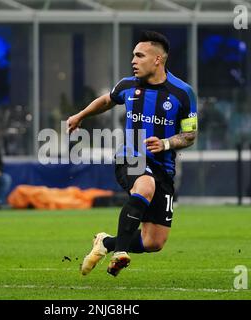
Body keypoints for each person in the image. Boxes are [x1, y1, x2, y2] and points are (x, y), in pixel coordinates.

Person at [67, 31, 198, 277]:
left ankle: (106, 243)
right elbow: (107, 100)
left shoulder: (183, 93)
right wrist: (80, 115)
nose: (133, 61)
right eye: (133, 56)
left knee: (153, 242)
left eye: (140, 56)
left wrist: (166, 143)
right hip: (130, 158)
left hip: (165, 169)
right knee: (145, 184)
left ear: (158, 59)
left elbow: (190, 135)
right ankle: (120, 253)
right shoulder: (128, 86)